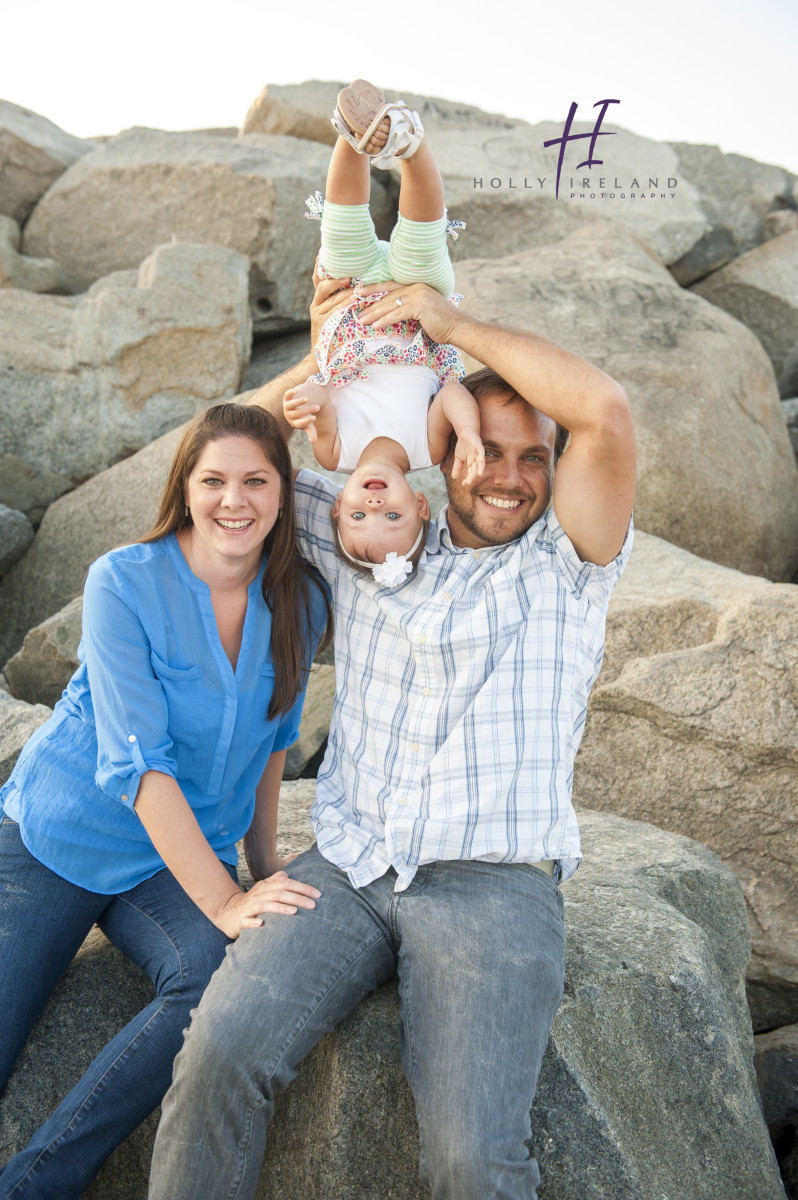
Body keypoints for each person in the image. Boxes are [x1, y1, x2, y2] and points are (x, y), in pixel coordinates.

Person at [147, 279, 636, 1200]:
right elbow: (210, 471)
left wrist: (447, 327)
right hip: (348, 865)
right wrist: (317, 368)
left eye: (533, 457)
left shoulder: (571, 562)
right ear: (440, 449)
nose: (508, 473)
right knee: (217, 1054)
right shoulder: (366, 524)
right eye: (487, 449)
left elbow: (603, 409)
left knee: (470, 1160)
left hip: (491, 887)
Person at [0, 402, 331, 1200]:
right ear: (185, 489)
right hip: (62, 834)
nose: (234, 500)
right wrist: (223, 898)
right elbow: (139, 764)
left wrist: (261, 863)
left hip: (172, 861)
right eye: (213, 480)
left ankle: (36, 1184)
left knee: (217, 972)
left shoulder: (303, 601)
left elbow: (273, 739)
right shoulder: (123, 581)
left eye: (256, 480)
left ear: (284, 494)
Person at [283, 78, 485, 585]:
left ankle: (353, 136)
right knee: (422, 236)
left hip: (350, 306)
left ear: (337, 507)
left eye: (359, 515)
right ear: (420, 504)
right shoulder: (427, 449)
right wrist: (468, 432)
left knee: (341, 230)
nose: (374, 503)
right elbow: (453, 394)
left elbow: (318, 396)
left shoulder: (335, 454)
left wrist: (304, 400)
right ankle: (411, 147)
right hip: (418, 309)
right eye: (391, 515)